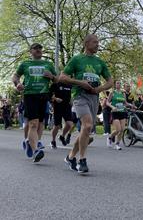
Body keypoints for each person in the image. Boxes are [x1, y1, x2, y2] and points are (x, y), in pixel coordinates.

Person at [59, 34, 113, 173]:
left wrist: (98, 89)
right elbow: (62, 77)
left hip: (94, 98)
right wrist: (80, 83)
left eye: (98, 42)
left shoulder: (100, 62)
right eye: (95, 42)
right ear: (86, 43)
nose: (97, 45)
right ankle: (82, 160)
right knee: (87, 125)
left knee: (86, 130)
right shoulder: (77, 59)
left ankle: (71, 157)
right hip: (80, 96)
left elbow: (110, 81)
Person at [12, 43, 57, 162]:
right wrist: (18, 84)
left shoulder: (48, 64)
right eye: (36, 48)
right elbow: (15, 76)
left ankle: (30, 142)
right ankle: (36, 149)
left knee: (41, 124)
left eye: (40, 48)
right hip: (30, 95)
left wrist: (52, 76)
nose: (38, 50)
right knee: (33, 123)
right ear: (30, 51)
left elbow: (58, 79)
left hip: (44, 95)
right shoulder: (25, 64)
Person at [106, 80, 135, 150]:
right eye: (117, 83)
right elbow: (107, 102)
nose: (118, 84)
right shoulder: (112, 93)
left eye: (119, 83)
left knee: (122, 130)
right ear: (115, 85)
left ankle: (117, 144)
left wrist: (131, 105)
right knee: (118, 129)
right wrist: (112, 107)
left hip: (122, 112)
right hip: (115, 112)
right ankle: (109, 137)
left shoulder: (123, 93)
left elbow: (125, 103)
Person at [49, 82, 73, 149]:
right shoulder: (55, 84)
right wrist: (56, 99)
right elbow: (50, 95)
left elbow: (71, 94)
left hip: (67, 106)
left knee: (70, 124)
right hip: (58, 106)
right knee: (57, 126)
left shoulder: (69, 84)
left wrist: (71, 100)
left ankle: (62, 136)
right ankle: (53, 141)